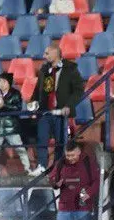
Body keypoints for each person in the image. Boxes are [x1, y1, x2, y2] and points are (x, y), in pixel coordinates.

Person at [29, 44, 84, 174]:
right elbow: (38, 90)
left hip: (61, 113)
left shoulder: (70, 69)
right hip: (45, 112)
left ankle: (58, 168)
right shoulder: (44, 70)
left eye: (47, 53)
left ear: (56, 54)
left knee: (61, 142)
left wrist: (68, 106)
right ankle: (41, 166)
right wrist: (33, 104)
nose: (44, 56)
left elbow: (78, 90)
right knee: (41, 139)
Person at [49, 142, 100, 220]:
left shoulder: (89, 162)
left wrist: (88, 193)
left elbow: (97, 181)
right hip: (65, 207)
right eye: (67, 155)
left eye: (72, 155)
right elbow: (52, 177)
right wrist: (56, 182)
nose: (70, 158)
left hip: (83, 207)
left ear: (78, 152)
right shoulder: (61, 162)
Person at [0, 73, 34, 173]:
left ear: (9, 83)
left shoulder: (16, 94)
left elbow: (17, 108)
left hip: (11, 127)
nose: (1, 84)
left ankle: (28, 169)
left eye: (4, 81)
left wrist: (4, 105)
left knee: (20, 149)